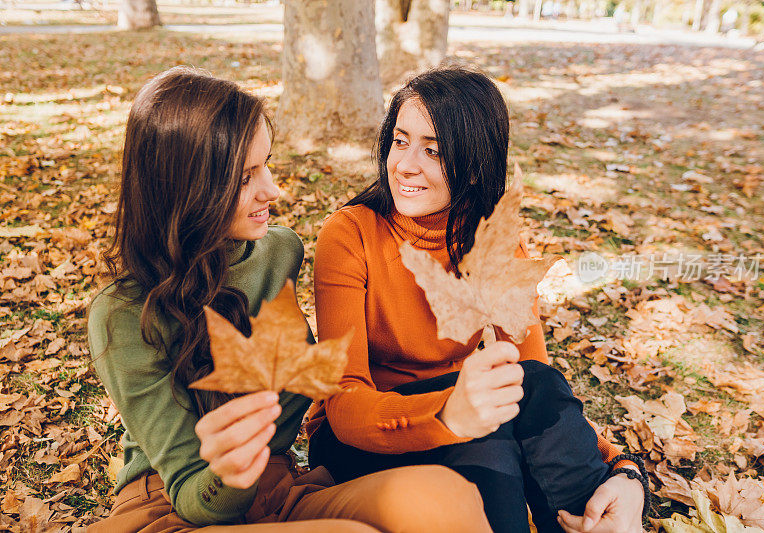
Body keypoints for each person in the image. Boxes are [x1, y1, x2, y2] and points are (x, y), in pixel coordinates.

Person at [87, 66, 493, 533]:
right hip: (179, 505)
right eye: (245, 177)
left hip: (280, 489)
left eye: (268, 164)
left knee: (448, 499)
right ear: (184, 188)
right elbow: (193, 496)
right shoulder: (122, 314)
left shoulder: (278, 252)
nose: (272, 190)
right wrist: (232, 470)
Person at [307, 67, 649, 533]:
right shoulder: (351, 235)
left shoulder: (496, 245)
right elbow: (343, 408)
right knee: (488, 441)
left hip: (470, 414)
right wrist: (450, 415)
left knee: (531, 390)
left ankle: (597, 519)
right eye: (400, 140)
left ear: (472, 166)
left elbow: (539, 387)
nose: (406, 164)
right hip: (363, 437)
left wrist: (626, 471)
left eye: (434, 151)